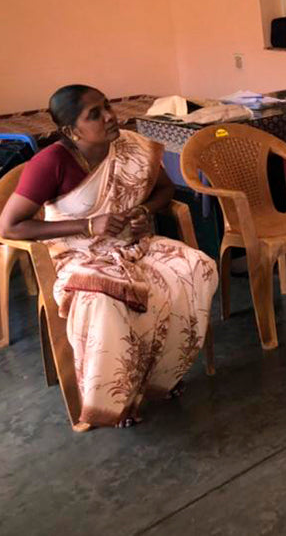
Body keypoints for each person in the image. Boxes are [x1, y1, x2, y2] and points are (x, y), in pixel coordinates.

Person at [0, 85, 217, 429]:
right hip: (79, 256)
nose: (109, 116)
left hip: (134, 246)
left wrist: (146, 210)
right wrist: (88, 225)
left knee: (197, 267)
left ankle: (160, 377)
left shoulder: (130, 146)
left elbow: (164, 189)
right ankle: (117, 399)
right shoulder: (51, 162)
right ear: (72, 131)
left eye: (106, 107)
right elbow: (10, 226)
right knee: (106, 298)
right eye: (94, 114)